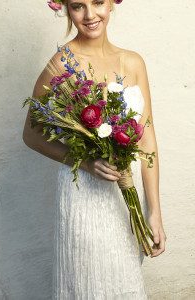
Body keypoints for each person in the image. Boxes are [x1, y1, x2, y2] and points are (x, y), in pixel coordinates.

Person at [23, 0, 167, 298]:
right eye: (78, 6)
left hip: (124, 196)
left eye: (98, 2)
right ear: (65, 8)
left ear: (112, 3)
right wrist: (85, 163)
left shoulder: (133, 62)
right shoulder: (61, 63)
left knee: (123, 281)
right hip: (83, 196)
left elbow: (148, 138)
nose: (90, 15)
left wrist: (153, 212)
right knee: (87, 281)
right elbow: (31, 134)